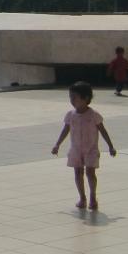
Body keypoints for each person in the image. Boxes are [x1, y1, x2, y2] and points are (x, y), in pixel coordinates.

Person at [51, 81, 117, 211]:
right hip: (76, 149)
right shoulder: (70, 115)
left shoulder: (94, 115)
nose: (71, 100)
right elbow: (65, 130)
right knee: (78, 172)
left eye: (74, 97)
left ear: (86, 98)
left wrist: (110, 146)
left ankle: (93, 197)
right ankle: (82, 198)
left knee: (90, 173)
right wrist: (57, 144)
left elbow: (103, 131)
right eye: (70, 97)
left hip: (91, 149)